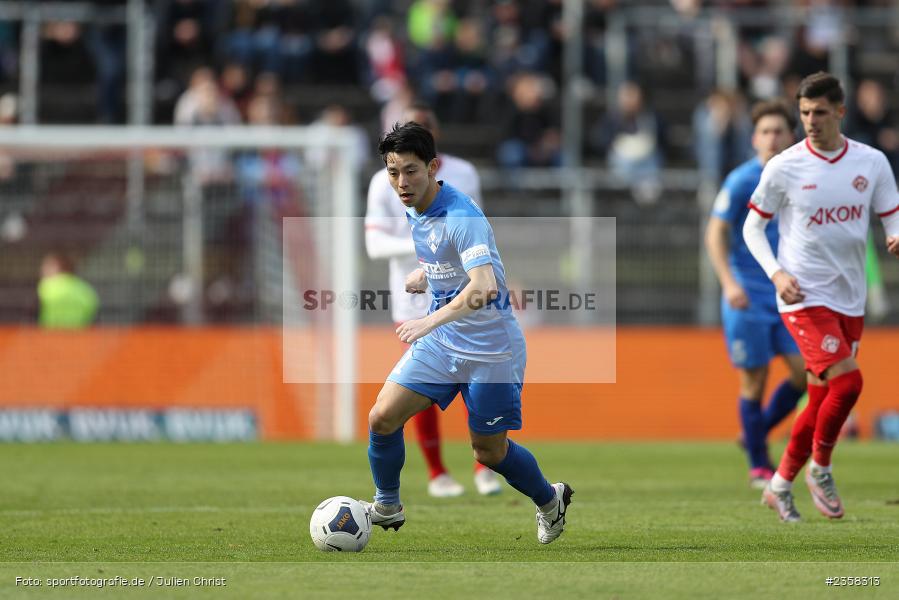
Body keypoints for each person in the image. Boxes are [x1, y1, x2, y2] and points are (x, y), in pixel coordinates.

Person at [362, 122, 573, 543]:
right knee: (382, 418)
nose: (401, 183)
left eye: (411, 172)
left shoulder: (461, 214)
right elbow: (452, 258)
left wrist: (427, 321)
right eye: (393, 172)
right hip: (444, 345)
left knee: (488, 452)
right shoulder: (415, 208)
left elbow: (485, 287)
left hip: (491, 351)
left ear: (433, 167)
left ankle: (550, 500)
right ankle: (387, 505)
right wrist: (430, 273)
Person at [743, 72, 899, 522]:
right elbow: (753, 226)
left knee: (818, 400)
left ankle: (779, 483)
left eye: (820, 113)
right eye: (805, 113)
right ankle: (821, 468)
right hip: (802, 295)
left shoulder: (871, 163)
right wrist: (776, 273)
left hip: (849, 297)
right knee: (848, 383)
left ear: (840, 112)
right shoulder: (785, 166)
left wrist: (894, 236)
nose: (811, 121)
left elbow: (891, 214)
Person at [365, 103, 501, 498]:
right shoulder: (384, 183)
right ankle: (437, 472)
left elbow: (472, 232)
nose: (403, 178)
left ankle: (484, 465)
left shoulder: (461, 177)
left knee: (471, 376)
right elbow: (374, 244)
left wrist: (439, 251)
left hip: (462, 292)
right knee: (419, 388)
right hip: (411, 300)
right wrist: (425, 258)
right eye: (396, 170)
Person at [705, 99, 807, 489]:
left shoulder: (802, 176)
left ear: (791, 136)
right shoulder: (742, 180)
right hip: (748, 292)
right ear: (754, 138)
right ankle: (759, 465)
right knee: (755, 381)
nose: (771, 138)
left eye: (778, 131)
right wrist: (729, 282)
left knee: (806, 373)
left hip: (790, 291)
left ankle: (755, 431)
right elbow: (715, 233)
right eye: (764, 131)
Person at [38, 252, 99, 329]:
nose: (42, 270)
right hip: (79, 336)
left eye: (46, 266)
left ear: (57, 267)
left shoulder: (47, 285)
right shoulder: (85, 288)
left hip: (51, 335)